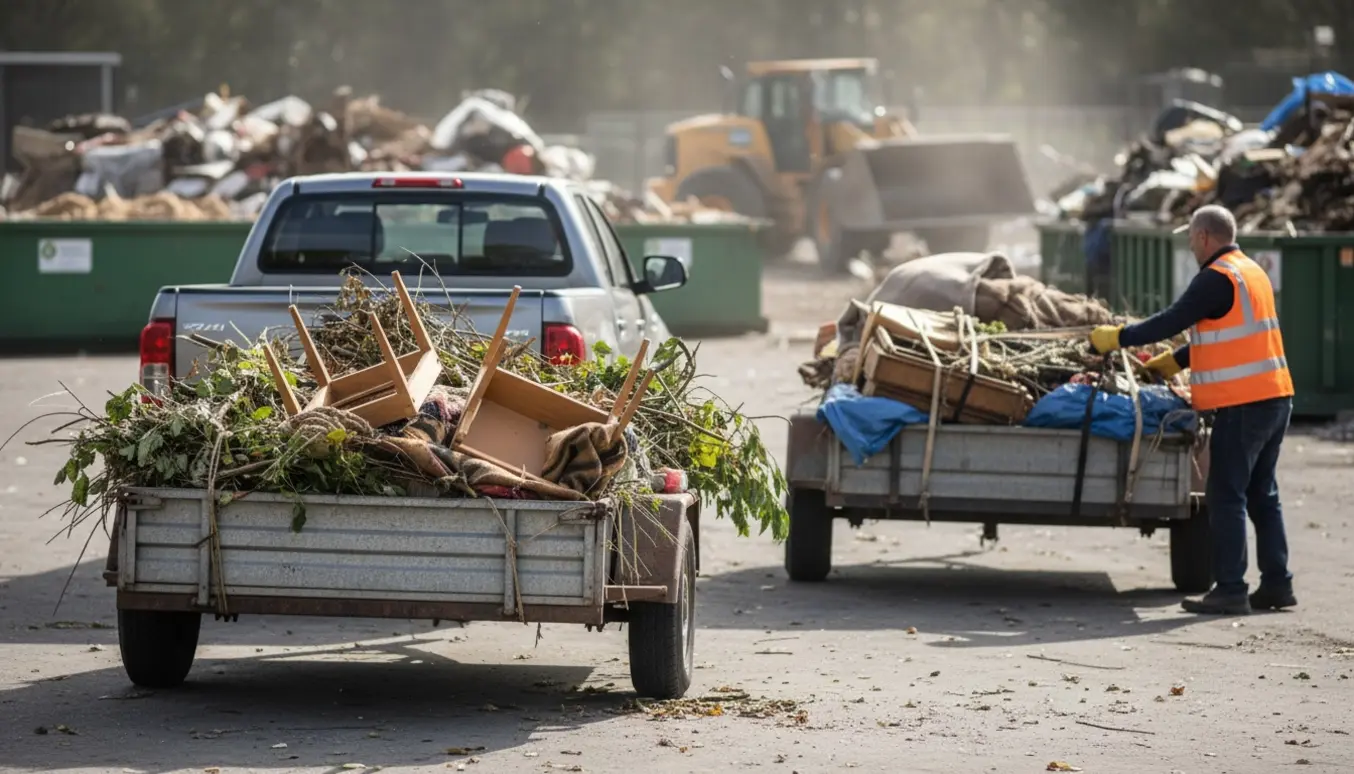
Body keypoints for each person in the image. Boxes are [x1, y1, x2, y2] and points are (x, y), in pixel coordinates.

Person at [1088, 205, 1295, 615]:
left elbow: (1171, 320)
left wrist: (1118, 338)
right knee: (1262, 494)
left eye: (1190, 240)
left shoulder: (1215, 277)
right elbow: (1230, 334)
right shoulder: (1250, 271)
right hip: (1275, 396)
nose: (1190, 247)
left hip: (1242, 403)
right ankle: (1277, 584)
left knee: (1225, 494)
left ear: (1203, 237)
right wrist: (1177, 360)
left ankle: (1231, 589)